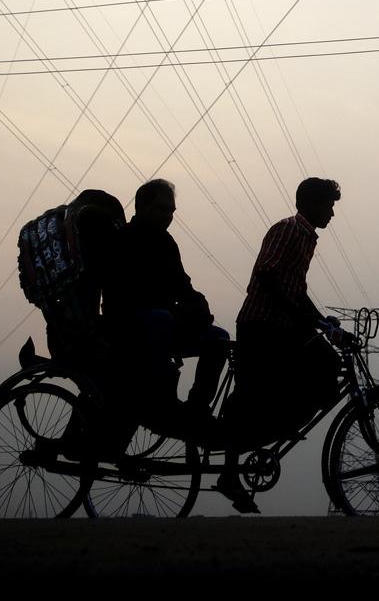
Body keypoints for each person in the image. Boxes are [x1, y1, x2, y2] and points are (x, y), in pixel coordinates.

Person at [217, 177, 345, 513]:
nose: (332, 213)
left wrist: (321, 319)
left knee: (327, 371)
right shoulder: (288, 229)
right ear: (312, 204)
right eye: (328, 205)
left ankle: (279, 424)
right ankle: (231, 471)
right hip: (261, 324)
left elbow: (296, 289)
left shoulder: (307, 238)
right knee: (249, 396)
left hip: (283, 326)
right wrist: (298, 314)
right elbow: (267, 274)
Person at [102, 179, 229, 430]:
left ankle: (197, 409)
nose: (168, 216)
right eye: (162, 209)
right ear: (142, 207)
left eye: (171, 211)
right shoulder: (123, 240)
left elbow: (183, 285)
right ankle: (161, 399)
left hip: (165, 321)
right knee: (162, 319)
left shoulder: (166, 243)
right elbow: (129, 293)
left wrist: (199, 306)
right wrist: (178, 309)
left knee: (219, 339)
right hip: (128, 322)